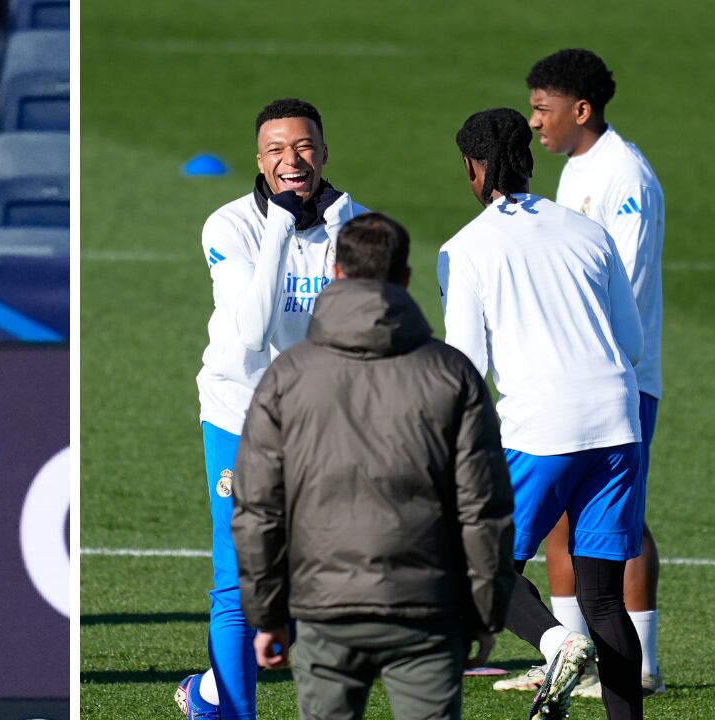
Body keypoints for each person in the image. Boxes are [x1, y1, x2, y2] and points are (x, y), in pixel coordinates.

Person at [231, 212, 515, 720]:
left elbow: (258, 509)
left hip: (325, 608)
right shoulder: (453, 374)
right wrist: (485, 613)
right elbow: (484, 509)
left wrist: (267, 615)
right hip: (428, 610)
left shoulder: (287, 376)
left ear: (335, 274)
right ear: (405, 278)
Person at [438, 108, 646, 720]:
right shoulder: (588, 232)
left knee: (481, 564)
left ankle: (556, 643)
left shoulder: (465, 249)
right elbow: (630, 343)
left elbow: (466, 366)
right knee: (604, 596)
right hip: (617, 419)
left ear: (474, 169)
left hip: (541, 427)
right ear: (527, 162)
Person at [179, 98, 367, 720]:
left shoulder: (356, 224)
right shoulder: (228, 226)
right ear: (259, 161)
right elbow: (255, 330)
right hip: (240, 416)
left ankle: (207, 692)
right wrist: (282, 226)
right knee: (239, 587)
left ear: (324, 152)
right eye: (278, 150)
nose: (293, 160)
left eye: (305, 146)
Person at [495, 48, 664, 698]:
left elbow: (621, 281)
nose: (535, 122)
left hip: (621, 377)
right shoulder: (575, 171)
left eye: (543, 108)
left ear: (581, 109)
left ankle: (640, 662)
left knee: (619, 522)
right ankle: (569, 656)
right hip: (577, 377)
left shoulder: (625, 176)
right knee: (569, 522)